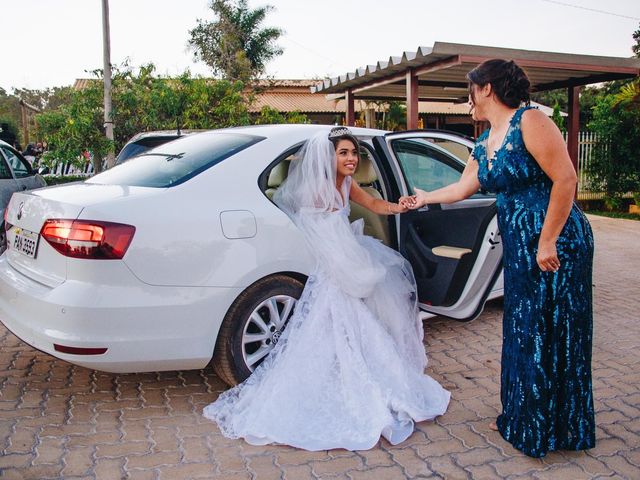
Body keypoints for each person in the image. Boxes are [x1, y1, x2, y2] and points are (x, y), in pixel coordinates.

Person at [203, 127, 450, 451]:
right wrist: (339, 263)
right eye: (343, 153)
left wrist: (399, 206)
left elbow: (374, 204)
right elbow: (307, 226)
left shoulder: (347, 183)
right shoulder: (313, 189)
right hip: (329, 261)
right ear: (328, 156)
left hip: (347, 253)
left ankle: (355, 374)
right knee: (340, 318)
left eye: (354, 153)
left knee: (358, 320)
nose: (351, 159)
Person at [407, 59, 595, 458]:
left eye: (470, 91)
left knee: (553, 330)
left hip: (557, 243)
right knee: (523, 330)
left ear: (487, 88)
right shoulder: (485, 139)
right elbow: (462, 188)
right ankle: (524, 416)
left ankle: (556, 426)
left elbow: (566, 179)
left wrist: (547, 242)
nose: (468, 100)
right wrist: (423, 197)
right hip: (521, 245)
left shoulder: (531, 121)